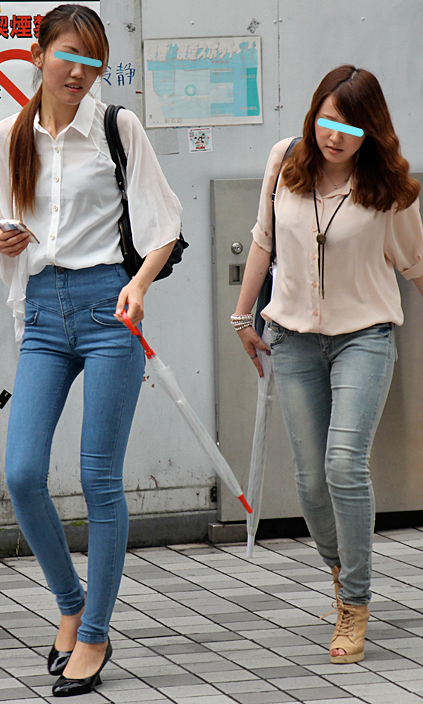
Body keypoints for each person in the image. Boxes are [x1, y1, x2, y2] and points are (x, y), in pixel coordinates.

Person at [0, 4, 182, 697]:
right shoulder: (10, 137)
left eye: (93, 60)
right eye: (68, 55)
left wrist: (140, 285)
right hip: (42, 313)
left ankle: (94, 633)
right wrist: (3, 240)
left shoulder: (117, 127)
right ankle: (70, 603)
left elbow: (164, 225)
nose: (80, 71)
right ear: (39, 53)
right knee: (22, 474)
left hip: (108, 309)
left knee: (99, 478)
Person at [233, 65, 423, 665]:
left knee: (343, 465)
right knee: (311, 482)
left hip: (364, 338)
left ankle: (356, 604)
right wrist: (242, 317)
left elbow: (415, 263)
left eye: (351, 126)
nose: (334, 135)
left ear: (372, 130)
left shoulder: (389, 187)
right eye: (326, 120)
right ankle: (341, 574)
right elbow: (263, 239)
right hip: (291, 339)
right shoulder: (284, 160)